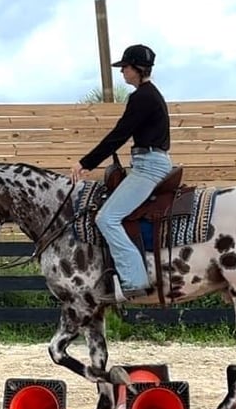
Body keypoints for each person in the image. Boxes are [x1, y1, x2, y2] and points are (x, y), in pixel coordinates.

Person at [71, 44, 173, 303]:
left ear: (138, 69)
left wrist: (85, 163)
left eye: (125, 67)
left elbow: (119, 134)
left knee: (107, 218)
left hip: (149, 167)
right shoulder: (150, 94)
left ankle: (134, 281)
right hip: (148, 161)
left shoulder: (142, 97)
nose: (122, 72)